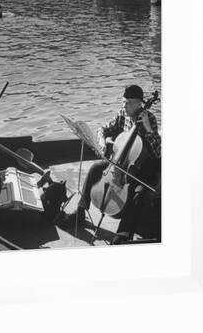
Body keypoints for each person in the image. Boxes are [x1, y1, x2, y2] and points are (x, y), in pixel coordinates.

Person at [61, 84, 161, 243]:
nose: (124, 106)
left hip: (143, 166)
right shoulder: (123, 114)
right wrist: (102, 142)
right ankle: (80, 211)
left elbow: (158, 151)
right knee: (95, 169)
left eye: (128, 102)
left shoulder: (150, 119)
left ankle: (123, 233)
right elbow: (103, 129)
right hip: (121, 162)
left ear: (138, 103)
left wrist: (148, 130)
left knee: (138, 192)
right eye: (123, 101)